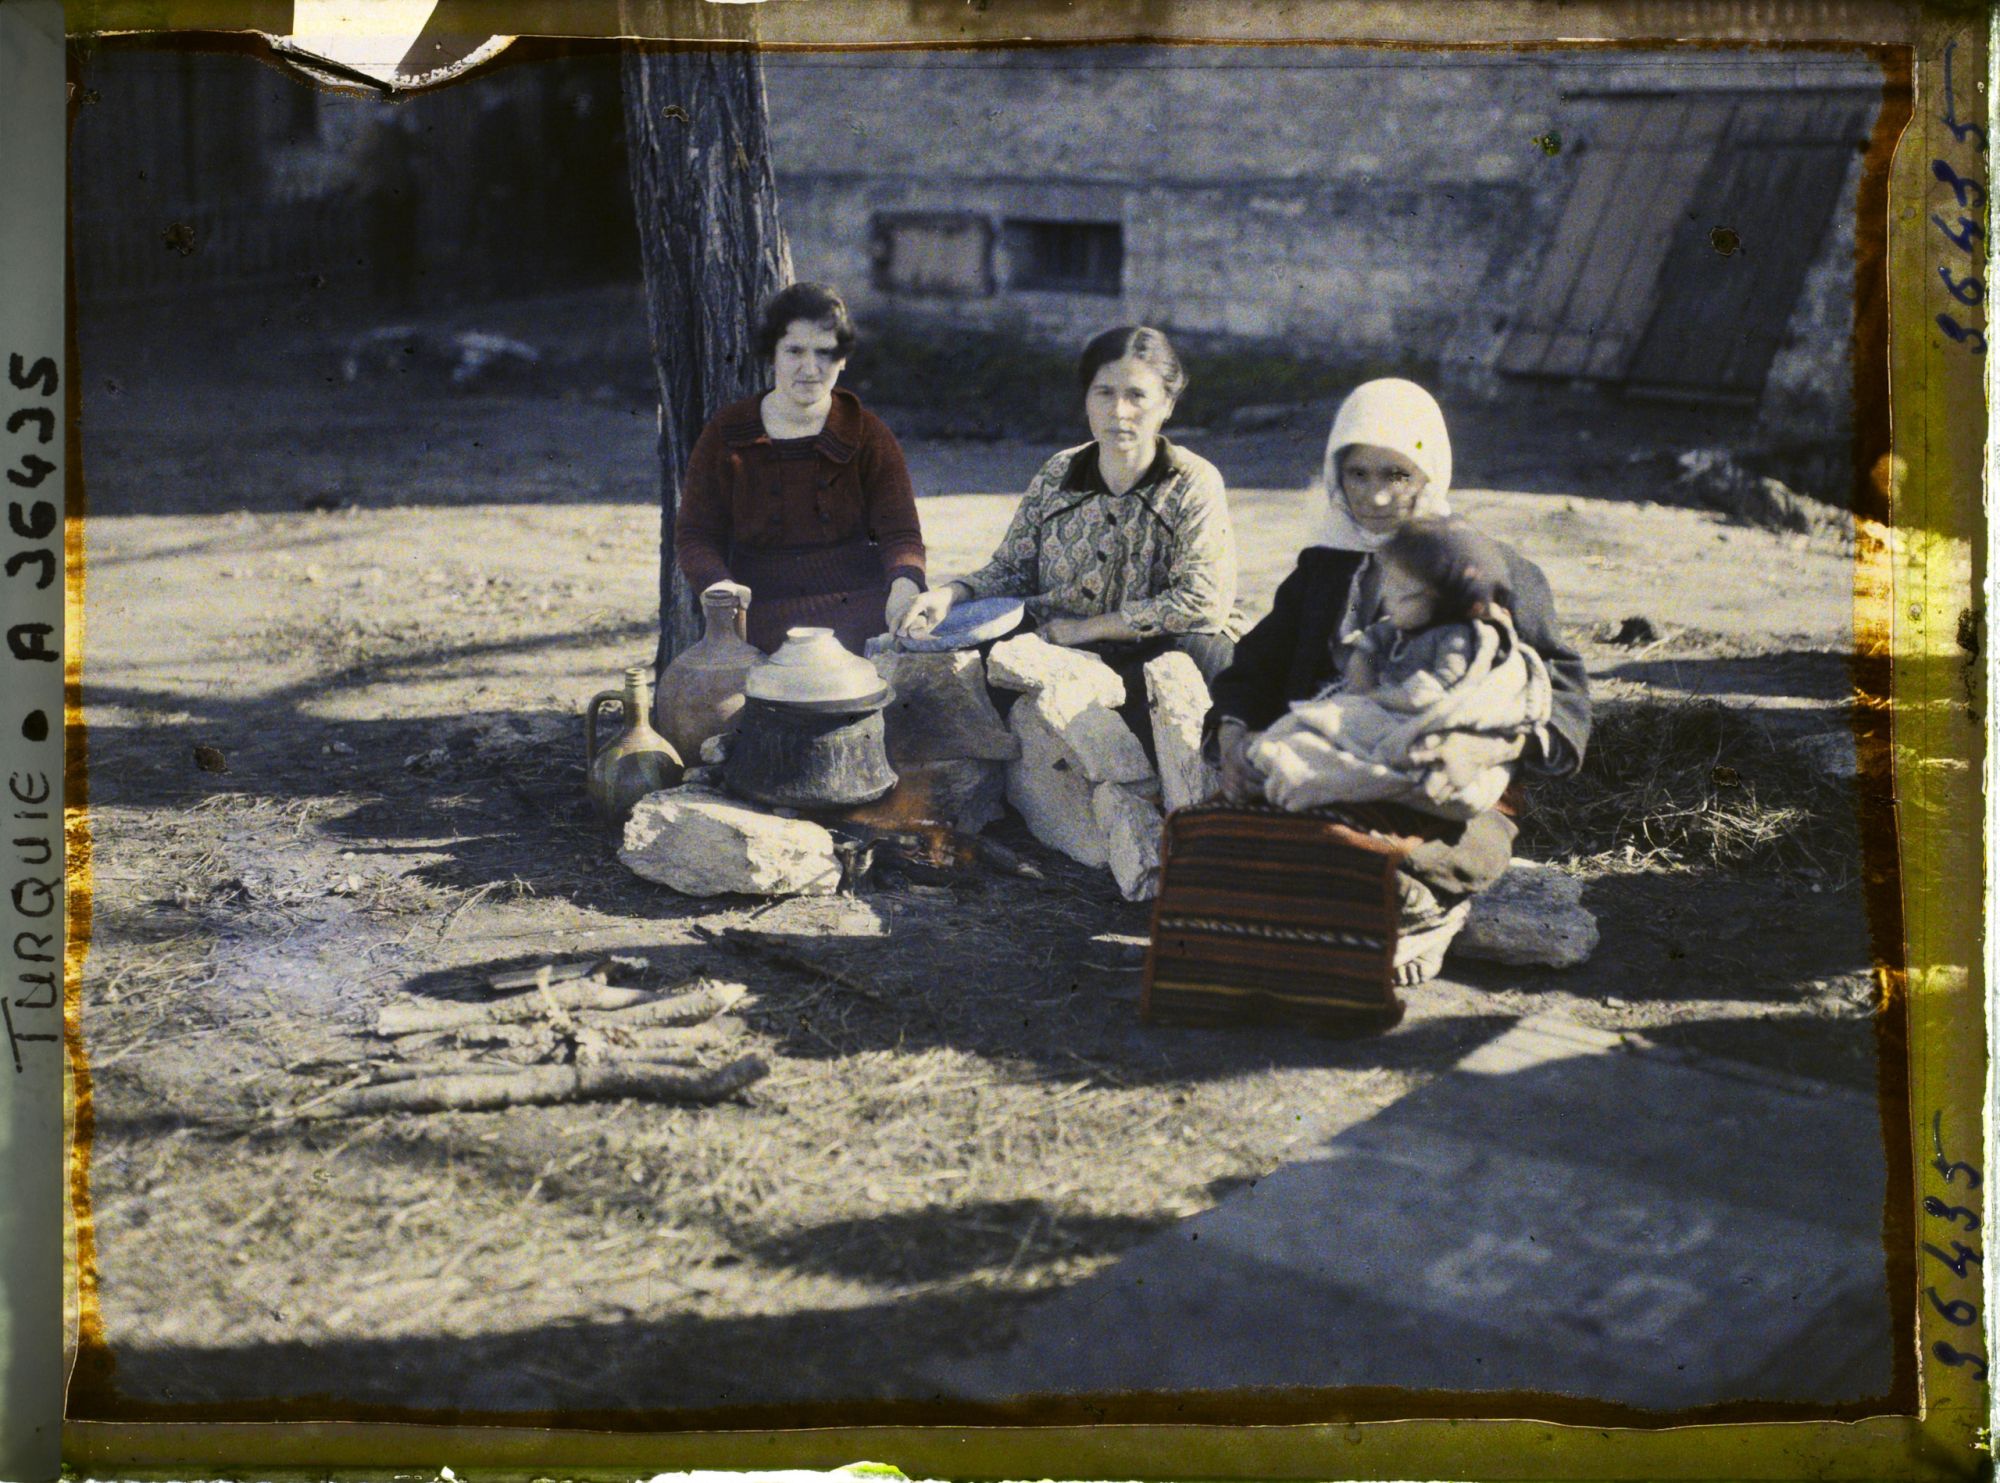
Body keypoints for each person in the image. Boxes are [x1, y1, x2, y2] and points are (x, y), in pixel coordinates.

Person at [1205, 378, 1590, 984]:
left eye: (1397, 475)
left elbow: (1561, 694)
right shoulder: (1323, 568)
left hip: (1443, 775)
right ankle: (1385, 912)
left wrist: (1484, 747)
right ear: (1335, 475)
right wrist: (1232, 738)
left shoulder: (1488, 566)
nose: (1376, 496)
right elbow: (1254, 668)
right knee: (1231, 849)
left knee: (1395, 855)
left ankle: (1424, 914)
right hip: (1338, 762)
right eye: (1358, 474)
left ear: (1429, 473)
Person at [896, 325, 1236, 746]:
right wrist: (950, 595)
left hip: (1147, 647)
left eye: (1137, 395)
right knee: (959, 667)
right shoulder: (1058, 472)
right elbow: (1013, 570)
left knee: (1204, 659)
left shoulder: (1191, 481)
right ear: (1086, 399)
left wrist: (1087, 629)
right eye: (1104, 393)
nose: (1119, 412)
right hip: (1056, 644)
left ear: (1167, 403)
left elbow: (1200, 602)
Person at [1244, 517, 1554, 820]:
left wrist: (1384, 699)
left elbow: (1439, 695)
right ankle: (1289, 761)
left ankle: (1322, 777)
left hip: (1421, 725)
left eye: (1404, 595)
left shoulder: (1457, 639)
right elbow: (1368, 648)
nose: (1390, 601)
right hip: (1386, 710)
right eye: (1390, 588)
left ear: (1446, 602)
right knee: (1311, 725)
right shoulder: (1396, 627)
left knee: (1337, 736)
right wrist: (1363, 667)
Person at [676, 283, 927, 654]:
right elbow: (696, 534)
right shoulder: (727, 434)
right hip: (758, 619)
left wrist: (904, 587)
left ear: (843, 359)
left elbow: (900, 533)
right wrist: (719, 588)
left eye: (825, 352)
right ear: (772, 354)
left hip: (860, 612)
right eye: (794, 351)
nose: (810, 369)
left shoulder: (867, 434)